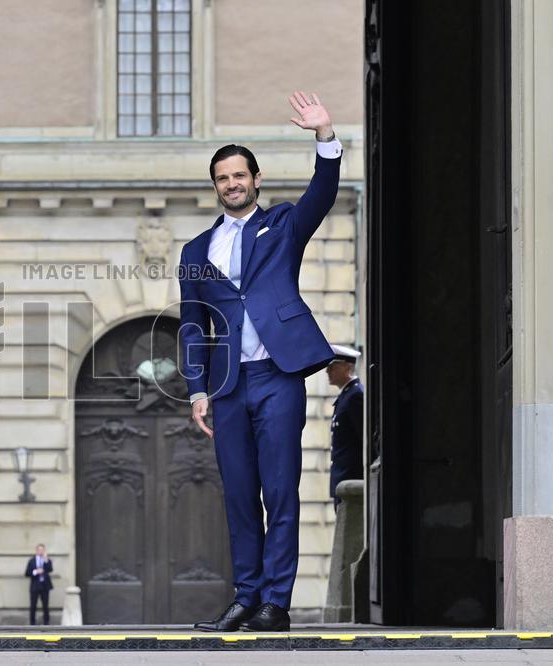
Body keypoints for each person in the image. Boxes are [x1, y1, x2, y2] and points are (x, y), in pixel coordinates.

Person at [180, 91, 342, 632]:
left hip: (278, 376)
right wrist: (197, 390)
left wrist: (325, 137)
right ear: (215, 186)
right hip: (227, 387)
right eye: (223, 178)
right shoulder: (196, 251)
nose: (232, 184)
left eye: (239, 176)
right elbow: (192, 325)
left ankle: (276, 603)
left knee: (280, 491)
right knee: (240, 497)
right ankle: (245, 597)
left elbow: (322, 193)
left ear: (255, 178)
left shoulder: (283, 226)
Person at [325, 344, 364, 506]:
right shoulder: (345, 397)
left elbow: (363, 437)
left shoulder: (355, 396)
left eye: (332, 366)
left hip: (351, 479)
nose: (327, 371)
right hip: (343, 481)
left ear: (347, 367)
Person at [24, 544, 53, 625]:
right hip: (35, 586)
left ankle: (46, 623)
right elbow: (27, 573)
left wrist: (46, 559)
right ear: (36, 550)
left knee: (45, 606)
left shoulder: (46, 560)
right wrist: (36, 571)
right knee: (33, 606)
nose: (41, 551)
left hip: (45, 586)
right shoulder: (32, 561)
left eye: (42, 550)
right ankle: (32, 623)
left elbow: (50, 569)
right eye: (39, 550)